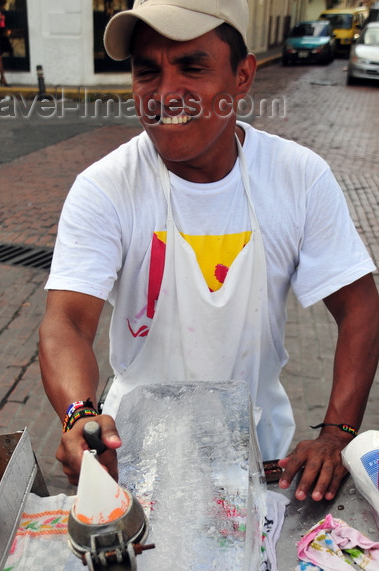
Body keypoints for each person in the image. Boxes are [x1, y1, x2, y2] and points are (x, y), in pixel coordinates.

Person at [39, 0, 379, 502]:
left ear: (242, 76)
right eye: (147, 71)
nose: (166, 94)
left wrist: (337, 435)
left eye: (192, 67)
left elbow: (360, 306)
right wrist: (81, 418)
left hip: (262, 459)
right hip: (135, 455)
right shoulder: (107, 188)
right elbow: (66, 321)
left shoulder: (297, 178)